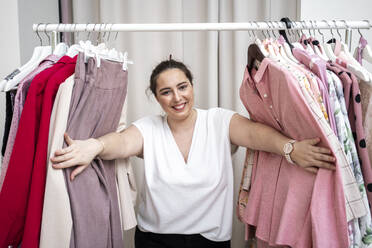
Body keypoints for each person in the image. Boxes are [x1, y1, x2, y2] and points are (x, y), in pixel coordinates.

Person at [51, 58, 336, 248]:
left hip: (210, 242)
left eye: (182, 87)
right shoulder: (149, 128)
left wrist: (290, 148)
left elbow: (254, 134)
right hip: (155, 241)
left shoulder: (218, 120)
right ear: (156, 97)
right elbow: (122, 142)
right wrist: (95, 146)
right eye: (166, 92)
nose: (177, 98)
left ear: (192, 86)